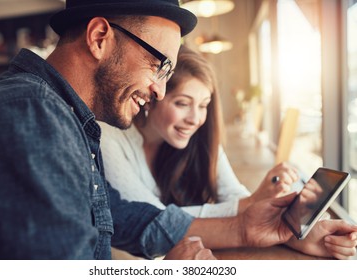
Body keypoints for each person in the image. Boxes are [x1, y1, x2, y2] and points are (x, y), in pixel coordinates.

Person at [0, 0, 356, 260]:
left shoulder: (65, 118)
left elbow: (123, 217)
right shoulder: (28, 115)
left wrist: (246, 228)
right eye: (158, 66)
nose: (159, 90)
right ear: (100, 38)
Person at [99, 45, 357, 259]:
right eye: (182, 103)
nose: (195, 119)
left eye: (203, 106)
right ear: (153, 95)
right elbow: (154, 221)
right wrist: (251, 206)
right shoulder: (109, 138)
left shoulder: (197, 137)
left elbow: (232, 194)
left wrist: (292, 237)